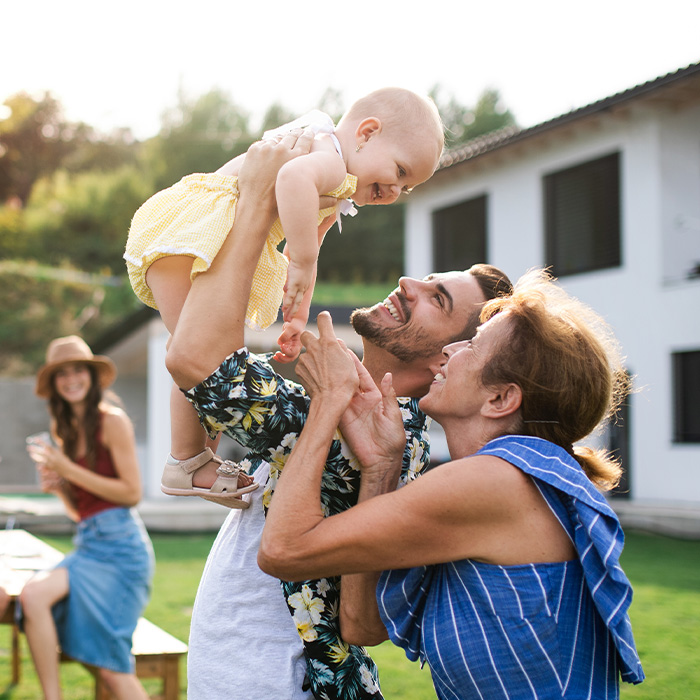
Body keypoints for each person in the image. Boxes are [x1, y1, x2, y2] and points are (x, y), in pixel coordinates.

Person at [164, 130, 512, 699]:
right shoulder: (357, 407)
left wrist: (255, 200)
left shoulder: (363, 425)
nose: (409, 284)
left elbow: (197, 359)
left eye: (437, 299)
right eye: (427, 279)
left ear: (449, 353)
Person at [258, 271, 646, 699]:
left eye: (473, 346)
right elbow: (362, 624)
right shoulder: (517, 478)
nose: (449, 350)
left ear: (500, 399)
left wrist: (329, 401)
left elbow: (283, 551)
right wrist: (382, 468)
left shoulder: (494, 482)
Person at [124, 87, 445, 507]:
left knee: (211, 347)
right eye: (399, 171)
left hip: (207, 235)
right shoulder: (329, 156)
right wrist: (306, 261)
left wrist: (297, 313)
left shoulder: (338, 180)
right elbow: (292, 186)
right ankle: (186, 460)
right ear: (366, 133)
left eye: (407, 187)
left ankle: (190, 460)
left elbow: (304, 246)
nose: (395, 190)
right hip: (198, 232)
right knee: (205, 350)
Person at [21, 335, 154, 700]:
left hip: (121, 550)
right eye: (62, 374)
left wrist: (67, 469)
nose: (71, 379)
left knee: (111, 669)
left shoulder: (112, 421)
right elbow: (80, 510)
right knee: (32, 597)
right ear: (54, 385)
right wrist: (60, 486)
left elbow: (131, 493)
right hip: (90, 544)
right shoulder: (64, 433)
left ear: (92, 376)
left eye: (78, 370)